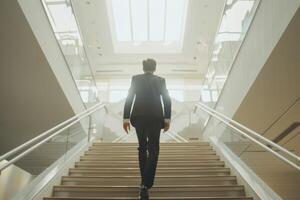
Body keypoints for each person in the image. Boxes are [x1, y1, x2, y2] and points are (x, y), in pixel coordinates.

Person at [123, 58, 172, 200]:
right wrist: (167, 119)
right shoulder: (161, 80)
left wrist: (126, 118)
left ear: (143, 68)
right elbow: (167, 99)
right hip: (156, 117)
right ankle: (145, 184)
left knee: (142, 147)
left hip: (138, 117)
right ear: (155, 68)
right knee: (154, 148)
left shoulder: (135, 79)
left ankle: (144, 183)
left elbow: (129, 97)